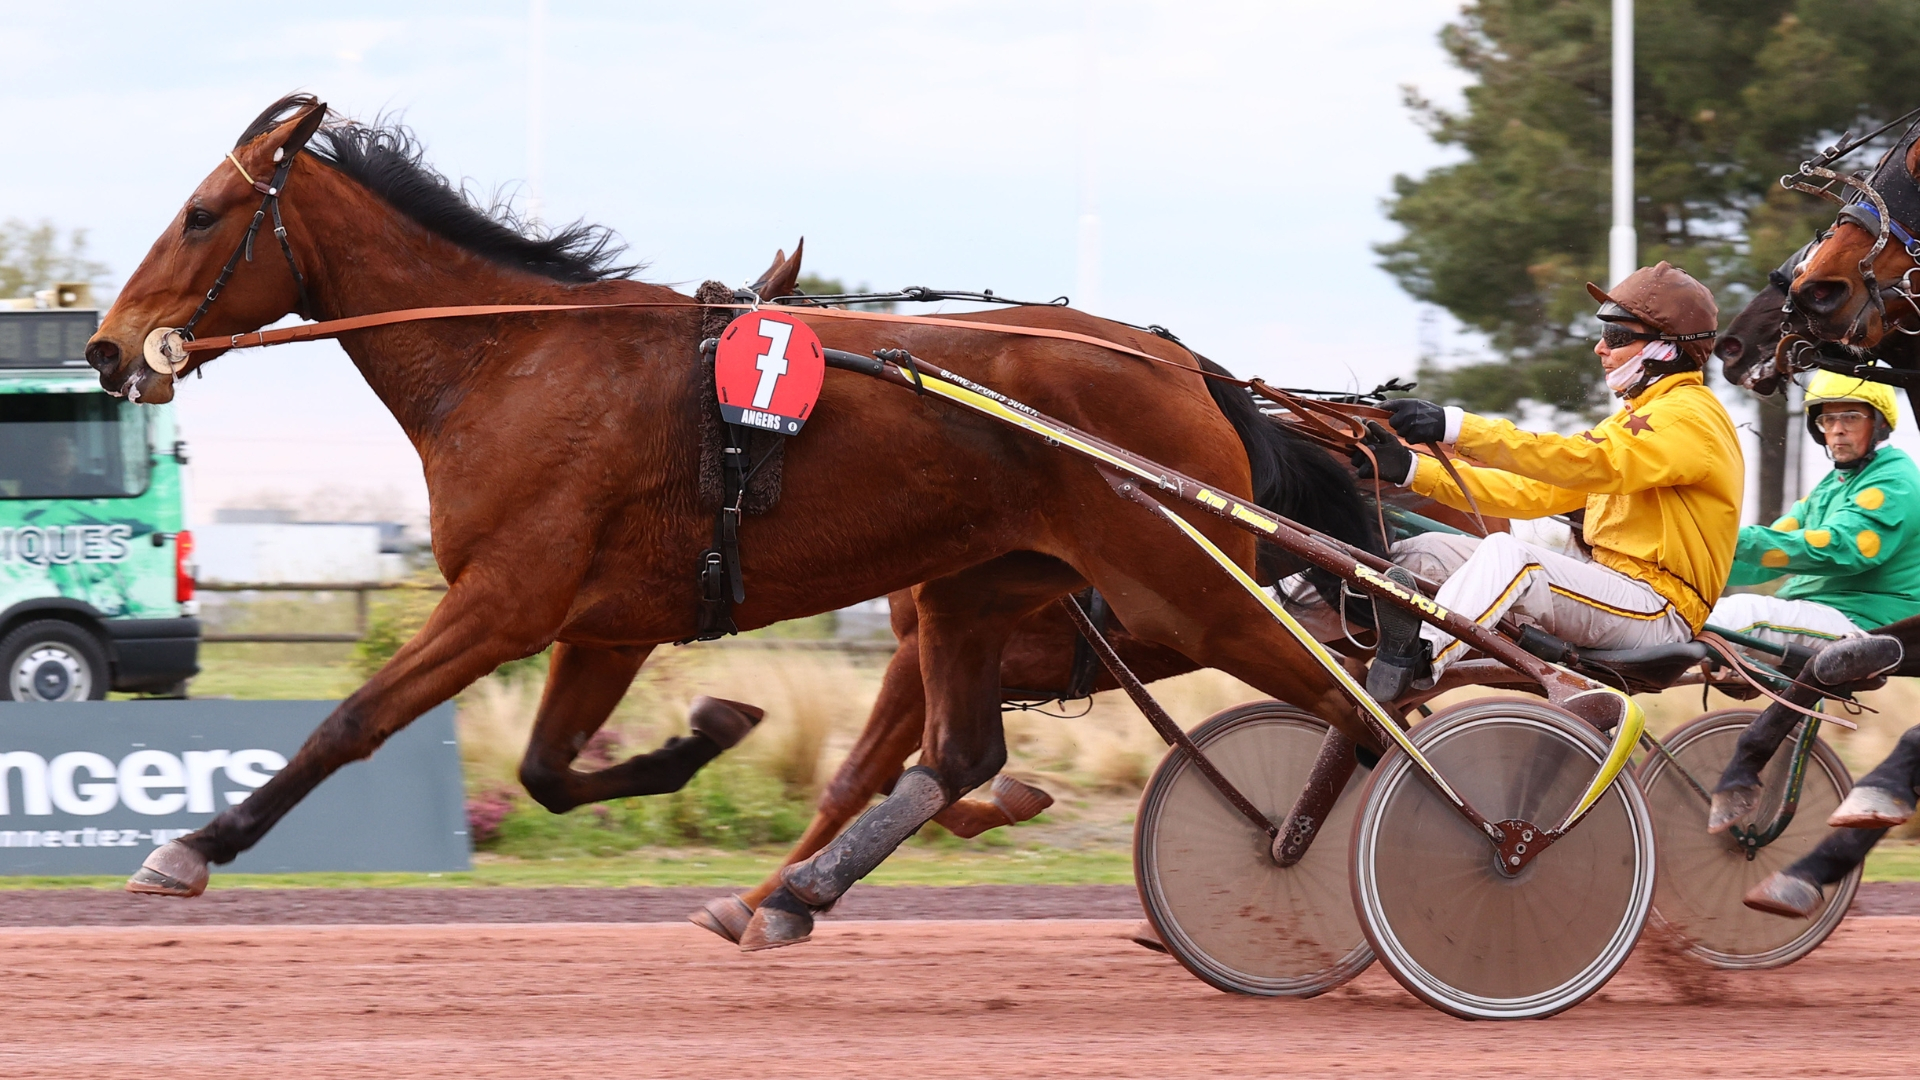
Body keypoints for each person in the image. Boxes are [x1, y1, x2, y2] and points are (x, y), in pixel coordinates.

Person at [1352, 262, 1749, 701]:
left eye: (1616, 336)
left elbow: (1579, 460)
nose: (1600, 349)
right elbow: (1532, 493)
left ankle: (1420, 657)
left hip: (1655, 610)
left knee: (1513, 557)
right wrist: (1408, 469)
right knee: (1423, 550)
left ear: (1666, 349)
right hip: (1610, 590)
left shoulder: (1688, 417)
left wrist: (1457, 428)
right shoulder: (1641, 420)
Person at [1711, 372, 1920, 656]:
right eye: (1827, 420)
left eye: (1851, 417)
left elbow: (1843, 547)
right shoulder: (1832, 485)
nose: (1837, 429)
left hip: (1870, 622)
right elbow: (1770, 552)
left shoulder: (1895, 480)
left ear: (1880, 422)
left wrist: (1734, 539)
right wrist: (1695, 557)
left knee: (1741, 614)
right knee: (1704, 613)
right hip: (1825, 612)